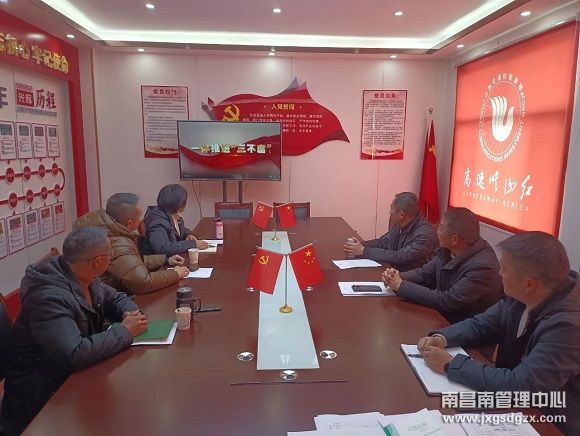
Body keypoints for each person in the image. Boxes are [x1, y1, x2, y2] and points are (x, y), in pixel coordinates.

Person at [416, 232, 580, 435]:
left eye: (504, 269)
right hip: (508, 402)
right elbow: (481, 324)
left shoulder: (569, 327)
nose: (499, 273)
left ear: (529, 284)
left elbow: (521, 386)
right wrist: (442, 337)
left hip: (549, 421)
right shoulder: (522, 295)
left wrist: (450, 364)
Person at [1, 227, 148, 435]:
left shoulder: (82, 274)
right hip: (43, 402)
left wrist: (130, 312)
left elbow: (116, 298)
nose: (112, 256)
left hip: (69, 379)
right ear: (98, 262)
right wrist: (124, 332)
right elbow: (74, 354)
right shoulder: (48, 299)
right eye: (111, 254)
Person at [383, 207, 502, 323]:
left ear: (454, 239)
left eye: (440, 227)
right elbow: (424, 273)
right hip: (441, 316)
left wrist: (401, 285)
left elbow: (447, 301)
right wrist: (396, 276)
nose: (435, 229)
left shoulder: (483, 268)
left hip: (462, 326)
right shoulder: (449, 250)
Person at [74, 193, 189, 294]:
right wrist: (175, 274)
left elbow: (131, 264)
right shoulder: (117, 243)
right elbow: (142, 282)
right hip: (104, 298)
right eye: (139, 216)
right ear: (130, 223)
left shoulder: (105, 227)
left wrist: (165, 260)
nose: (141, 220)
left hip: (104, 290)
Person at [344, 192, 437, 271]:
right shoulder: (401, 224)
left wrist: (364, 251)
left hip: (412, 280)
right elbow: (382, 243)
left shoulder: (425, 235)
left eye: (392, 209)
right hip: (394, 273)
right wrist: (358, 246)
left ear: (401, 214)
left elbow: (399, 256)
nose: (390, 212)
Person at [140, 184, 208, 256]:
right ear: (180, 205)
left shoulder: (172, 215)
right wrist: (191, 244)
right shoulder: (158, 223)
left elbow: (178, 230)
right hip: (164, 261)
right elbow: (162, 248)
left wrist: (187, 235)